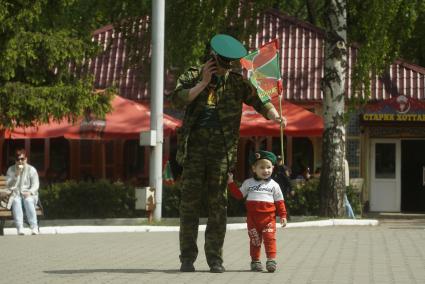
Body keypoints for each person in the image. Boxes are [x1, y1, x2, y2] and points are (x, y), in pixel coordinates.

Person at [170, 34, 285, 273]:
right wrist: (202, 82)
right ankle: (187, 258)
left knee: (218, 207)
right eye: (223, 65)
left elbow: (259, 99)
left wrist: (273, 114)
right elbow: (178, 100)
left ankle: (215, 259)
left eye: (230, 66)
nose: (226, 70)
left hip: (221, 153)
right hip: (194, 151)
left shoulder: (235, 81)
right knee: (189, 206)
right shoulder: (193, 75)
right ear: (213, 58)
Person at [227, 150, 287, 273]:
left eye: (269, 167)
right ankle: (255, 261)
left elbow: (280, 201)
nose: (266, 170)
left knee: (270, 238)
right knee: (255, 240)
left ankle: (271, 260)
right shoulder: (248, 183)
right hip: (253, 220)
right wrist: (231, 183)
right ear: (254, 168)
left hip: (269, 219)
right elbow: (238, 195)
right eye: (262, 167)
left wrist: (283, 215)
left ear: (273, 168)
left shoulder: (274, 185)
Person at [6, 149, 40, 235]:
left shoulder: (31, 169)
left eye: (22, 159)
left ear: (26, 159)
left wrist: (30, 192)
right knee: (16, 201)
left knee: (28, 200)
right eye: (18, 159)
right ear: (15, 161)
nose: (20, 161)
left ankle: (34, 227)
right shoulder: (11, 169)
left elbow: (36, 184)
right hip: (16, 194)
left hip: (29, 194)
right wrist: (16, 175)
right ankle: (20, 227)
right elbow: (8, 185)